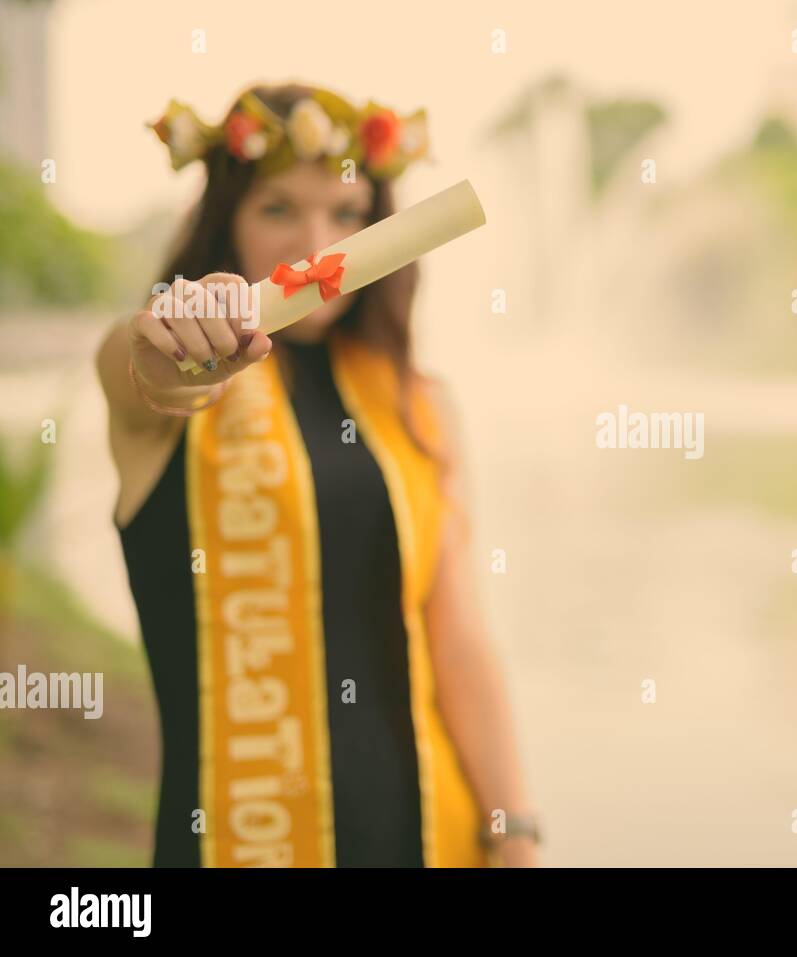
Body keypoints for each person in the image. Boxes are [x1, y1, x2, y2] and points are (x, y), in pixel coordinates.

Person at [94, 82, 540, 867]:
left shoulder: (419, 404)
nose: (313, 242)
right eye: (277, 209)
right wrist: (181, 345)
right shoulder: (169, 377)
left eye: (345, 214)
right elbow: (146, 375)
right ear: (223, 221)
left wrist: (515, 830)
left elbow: (460, 637)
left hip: (429, 836)